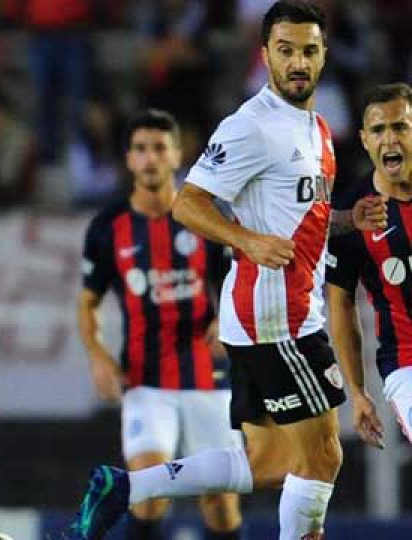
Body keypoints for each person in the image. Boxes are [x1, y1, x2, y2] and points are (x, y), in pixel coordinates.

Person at [67, 2, 387, 539]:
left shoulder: (317, 128)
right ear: (264, 55)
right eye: (285, 51)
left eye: (308, 51)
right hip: (277, 316)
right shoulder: (250, 125)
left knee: (272, 463)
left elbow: (302, 220)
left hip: (275, 312)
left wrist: (348, 220)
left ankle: (125, 487)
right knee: (323, 456)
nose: (298, 62)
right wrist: (247, 241)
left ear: (324, 54)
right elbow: (188, 203)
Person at [77, 109, 242, 539]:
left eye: (159, 148)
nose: (150, 158)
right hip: (144, 380)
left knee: (220, 503)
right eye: (141, 149)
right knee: (148, 492)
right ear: (128, 159)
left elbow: (238, 278)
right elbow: (88, 302)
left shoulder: (205, 216)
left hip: (209, 376)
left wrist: (227, 315)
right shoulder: (107, 228)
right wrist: (98, 356)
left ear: (177, 155)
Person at [327, 83, 412, 449]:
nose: (389, 139)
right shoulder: (354, 216)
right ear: (364, 139)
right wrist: (358, 392)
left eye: (400, 126)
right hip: (406, 364)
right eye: (378, 130)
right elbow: (341, 305)